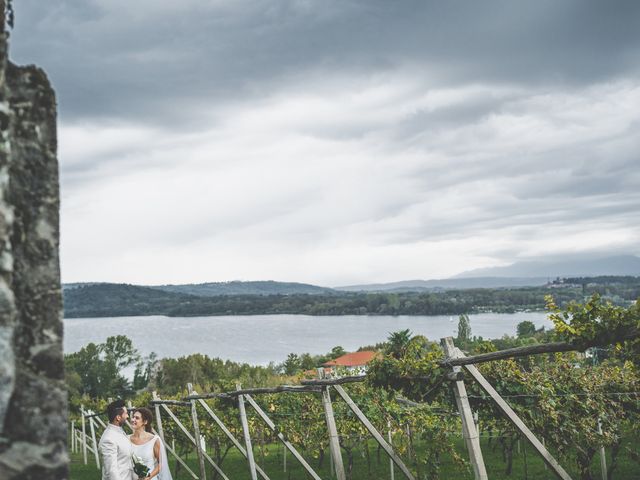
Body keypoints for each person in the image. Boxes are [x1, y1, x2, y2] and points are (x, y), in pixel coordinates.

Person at [129, 407, 172, 480]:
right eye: (133, 417)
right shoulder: (126, 439)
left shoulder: (154, 440)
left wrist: (148, 477)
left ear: (145, 422)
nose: (133, 420)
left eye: (137, 418)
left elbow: (161, 464)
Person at [98, 399, 136, 480]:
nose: (128, 416)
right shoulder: (108, 439)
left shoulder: (119, 431)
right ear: (118, 417)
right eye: (125, 414)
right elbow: (111, 471)